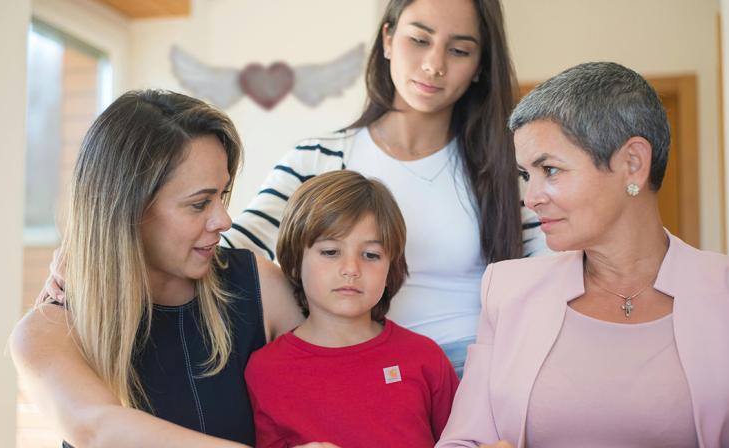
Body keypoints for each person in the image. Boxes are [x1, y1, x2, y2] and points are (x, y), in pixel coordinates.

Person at [10, 89, 394, 448]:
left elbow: (352, 373)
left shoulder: (260, 287)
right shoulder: (47, 332)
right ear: (127, 209)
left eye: (222, 196)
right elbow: (101, 434)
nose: (224, 220)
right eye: (199, 204)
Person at [429, 62, 729, 448]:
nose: (531, 198)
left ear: (633, 164)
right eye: (526, 175)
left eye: (550, 170)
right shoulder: (505, 290)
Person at [222, 0, 548, 377]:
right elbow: (230, 253)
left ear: (480, 66)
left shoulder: (508, 169)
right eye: (419, 40)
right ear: (388, 39)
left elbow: (555, 269)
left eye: (459, 50)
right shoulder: (316, 159)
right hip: (353, 372)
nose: (434, 65)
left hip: (473, 372)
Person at [245, 171, 459, 448]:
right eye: (330, 252)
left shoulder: (423, 356)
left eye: (370, 255)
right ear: (294, 260)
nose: (351, 269)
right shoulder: (265, 370)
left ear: (391, 267)